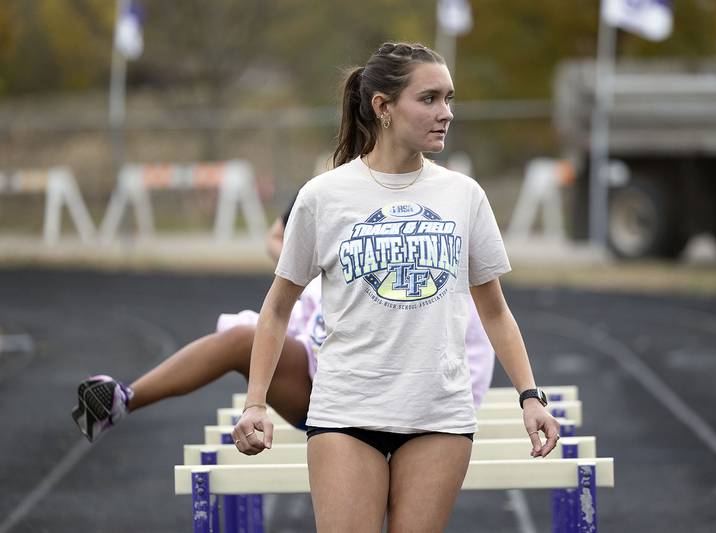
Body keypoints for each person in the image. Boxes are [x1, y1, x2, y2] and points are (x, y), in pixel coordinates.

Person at [231, 42, 559, 533]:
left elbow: (494, 311)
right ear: (383, 106)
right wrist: (256, 403)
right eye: (429, 99)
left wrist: (530, 396)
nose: (446, 113)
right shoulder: (323, 195)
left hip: (439, 415)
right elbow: (277, 309)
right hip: (346, 410)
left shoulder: (464, 195)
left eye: (448, 99)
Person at [70, 201, 495, 442]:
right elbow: (279, 242)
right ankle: (123, 399)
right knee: (245, 337)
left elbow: (479, 323)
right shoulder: (329, 202)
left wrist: (460, 407)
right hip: (333, 394)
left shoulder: (431, 225)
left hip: (414, 403)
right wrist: (296, 262)